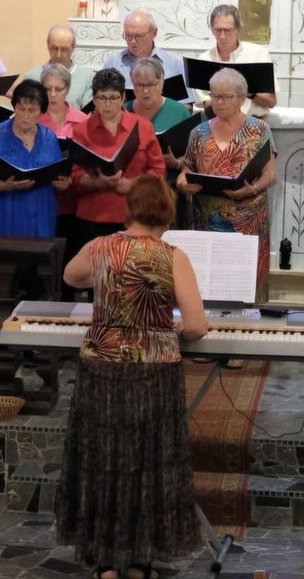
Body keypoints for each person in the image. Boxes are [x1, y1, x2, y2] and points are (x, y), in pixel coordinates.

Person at [56, 175, 206, 579]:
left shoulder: (101, 246)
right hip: (153, 372)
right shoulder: (172, 256)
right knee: (147, 462)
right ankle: (139, 562)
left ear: (131, 208)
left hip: (101, 369)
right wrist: (171, 331)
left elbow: (71, 276)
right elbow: (195, 325)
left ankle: (105, 563)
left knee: (103, 458)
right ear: (166, 212)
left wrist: (104, 281)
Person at [178, 68, 276, 304]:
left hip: (248, 219)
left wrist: (252, 189)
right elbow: (186, 170)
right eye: (215, 96)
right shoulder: (198, 132)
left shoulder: (258, 130)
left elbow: (270, 174)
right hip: (207, 219)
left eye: (225, 97)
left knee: (245, 289)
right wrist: (183, 184)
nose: (218, 102)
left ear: (242, 99)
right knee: (209, 287)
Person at [69, 68, 166, 291]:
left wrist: (133, 185)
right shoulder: (82, 129)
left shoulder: (142, 126)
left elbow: (158, 171)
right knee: (98, 283)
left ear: (123, 97)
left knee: (133, 281)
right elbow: (75, 176)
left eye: (113, 98)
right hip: (93, 217)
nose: (108, 104)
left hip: (132, 216)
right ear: (93, 99)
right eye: (102, 98)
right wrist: (98, 183)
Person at [0, 79, 70, 298]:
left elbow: (57, 173)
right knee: (4, 291)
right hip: (5, 225)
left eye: (32, 109)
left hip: (40, 225)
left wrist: (63, 183)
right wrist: (4, 184)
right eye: (21, 108)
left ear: (41, 111)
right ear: (14, 107)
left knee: (36, 290)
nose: (26, 115)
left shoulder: (48, 137)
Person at [37, 63, 89, 296]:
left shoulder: (82, 121)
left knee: (69, 255)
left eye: (58, 89)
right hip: (43, 196)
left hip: (72, 198)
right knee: (44, 260)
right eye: (47, 89)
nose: (53, 95)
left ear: (67, 89)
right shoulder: (35, 119)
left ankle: (67, 305)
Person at [126, 56, 193, 215]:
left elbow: (193, 157)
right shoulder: (124, 111)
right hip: (131, 191)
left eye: (151, 84)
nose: (146, 91)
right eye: (140, 85)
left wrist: (176, 162)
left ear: (162, 83)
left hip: (168, 191)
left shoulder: (179, 112)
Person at [194, 4, 278, 117]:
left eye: (227, 30)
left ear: (238, 29)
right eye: (218, 30)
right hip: (218, 124)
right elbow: (204, 102)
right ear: (212, 29)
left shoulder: (259, 55)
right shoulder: (204, 59)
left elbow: (271, 101)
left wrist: (247, 92)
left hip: (254, 125)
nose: (222, 36)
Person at [102, 10, 190, 102]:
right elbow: (101, 103)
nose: (132, 41)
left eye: (138, 36)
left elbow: (187, 106)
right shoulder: (112, 64)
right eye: (128, 35)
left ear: (154, 32)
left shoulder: (173, 63)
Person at [17, 25, 94, 108]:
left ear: (73, 47)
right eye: (54, 48)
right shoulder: (32, 76)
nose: (59, 55)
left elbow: (87, 113)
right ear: (47, 45)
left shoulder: (87, 77)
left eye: (64, 49)